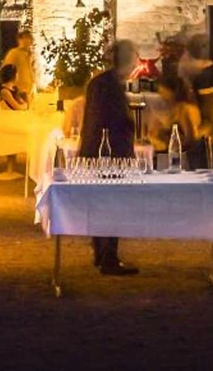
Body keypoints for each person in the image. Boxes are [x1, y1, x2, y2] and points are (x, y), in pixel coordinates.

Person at [80, 39, 141, 276]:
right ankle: (108, 258)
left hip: (93, 151)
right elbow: (115, 125)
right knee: (112, 205)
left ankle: (100, 252)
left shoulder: (98, 82)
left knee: (99, 204)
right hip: (110, 155)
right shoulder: (112, 87)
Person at [151, 74, 205, 169]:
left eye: (163, 92)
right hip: (169, 156)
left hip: (180, 160)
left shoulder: (185, 109)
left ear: (173, 91)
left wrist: (166, 145)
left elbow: (191, 139)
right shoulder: (175, 109)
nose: (161, 95)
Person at [2, 29, 36, 97]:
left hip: (29, 88)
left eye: (28, 38)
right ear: (19, 40)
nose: (26, 41)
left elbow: (31, 70)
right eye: (23, 38)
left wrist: (33, 82)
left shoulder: (30, 54)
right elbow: (6, 70)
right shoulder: (13, 53)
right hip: (18, 89)